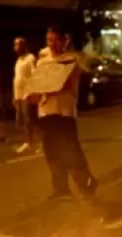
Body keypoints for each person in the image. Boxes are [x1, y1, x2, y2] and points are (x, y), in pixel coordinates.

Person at [28, 26, 97, 200]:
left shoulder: (70, 61)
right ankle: (60, 188)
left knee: (71, 152)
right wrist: (33, 93)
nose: (51, 44)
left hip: (64, 111)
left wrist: (46, 86)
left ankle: (87, 184)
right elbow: (36, 85)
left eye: (54, 39)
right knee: (52, 152)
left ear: (63, 41)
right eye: (48, 40)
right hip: (46, 111)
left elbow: (63, 85)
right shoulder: (43, 62)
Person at [12, 37, 38, 154]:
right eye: (15, 45)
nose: (17, 47)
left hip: (28, 94)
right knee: (22, 121)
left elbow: (34, 75)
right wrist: (15, 96)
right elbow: (17, 79)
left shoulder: (30, 58)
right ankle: (27, 142)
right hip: (19, 95)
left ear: (24, 45)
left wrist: (32, 92)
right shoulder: (18, 61)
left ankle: (41, 142)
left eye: (19, 44)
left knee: (30, 120)